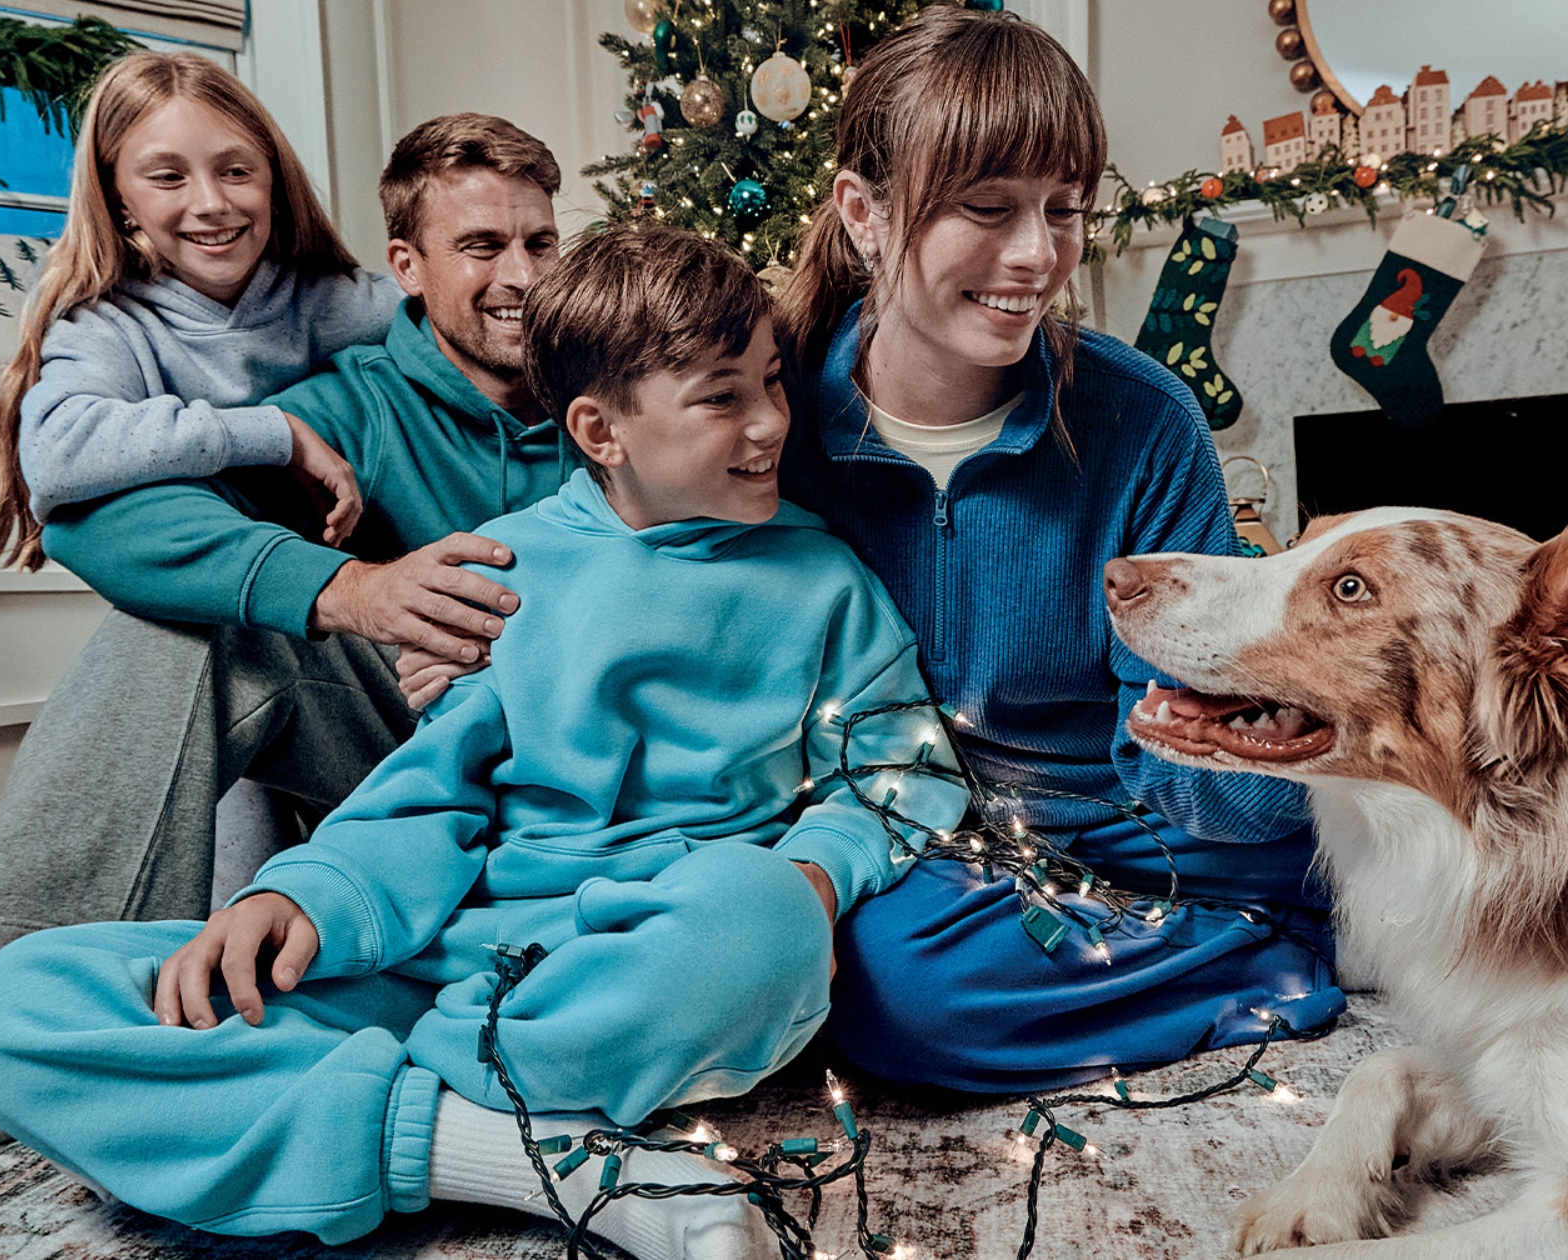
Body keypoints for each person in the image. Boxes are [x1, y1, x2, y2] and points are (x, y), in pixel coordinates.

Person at [0, 226, 965, 1260]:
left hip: (648, 956)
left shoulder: (825, 579)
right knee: (14, 1005)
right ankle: (504, 1146)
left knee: (765, 922)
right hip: (452, 949)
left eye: (772, 384)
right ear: (599, 430)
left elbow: (903, 772)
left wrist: (814, 872)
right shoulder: (502, 566)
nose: (770, 424)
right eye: (723, 397)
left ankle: (377, 1104)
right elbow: (433, 793)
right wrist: (300, 895)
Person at [402, 7, 1347, 1096]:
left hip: (1140, 817)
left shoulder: (1143, 422)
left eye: (1064, 210)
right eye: (987, 210)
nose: (1036, 255)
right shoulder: (762, 413)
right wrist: (486, 645)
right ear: (862, 210)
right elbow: (618, 546)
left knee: (1363, 842)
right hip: (925, 843)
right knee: (890, 997)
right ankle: (1253, 959)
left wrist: (1295, 758)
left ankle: (1266, 925)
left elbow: (1180, 737)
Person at [0, 113, 562, 1184]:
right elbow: (100, 521)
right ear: (409, 266)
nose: (521, 276)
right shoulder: (351, 405)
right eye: (483, 247)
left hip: (591, 775)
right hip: (412, 768)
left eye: (540, 242)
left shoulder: (608, 391)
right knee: (185, 623)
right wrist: (350, 588)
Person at [0, 50, 396, 572]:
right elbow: (54, 453)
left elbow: (457, 315)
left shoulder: (331, 301)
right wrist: (276, 433)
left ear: (275, 183)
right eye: (169, 177)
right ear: (119, 200)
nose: (212, 201)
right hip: (204, 582)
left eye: (237, 171)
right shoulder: (109, 324)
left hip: (354, 568)